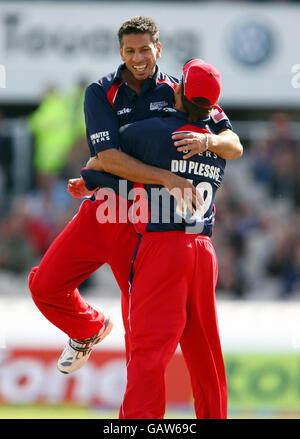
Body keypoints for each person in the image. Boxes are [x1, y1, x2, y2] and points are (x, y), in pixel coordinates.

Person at [28, 16, 242, 375]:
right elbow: (109, 156)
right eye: (130, 50)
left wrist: (208, 141)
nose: (138, 57)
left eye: (145, 49)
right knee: (44, 285)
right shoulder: (100, 91)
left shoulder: (180, 89)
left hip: (144, 221)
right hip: (102, 211)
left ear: (159, 48)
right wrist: (152, 178)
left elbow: (233, 143)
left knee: (138, 331)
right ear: (121, 51)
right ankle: (88, 328)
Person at [113, 59, 240, 419]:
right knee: (207, 356)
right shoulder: (215, 143)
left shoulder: (155, 131)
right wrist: (210, 138)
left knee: (149, 352)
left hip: (164, 246)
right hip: (204, 250)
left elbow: (107, 156)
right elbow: (235, 144)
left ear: (180, 90)